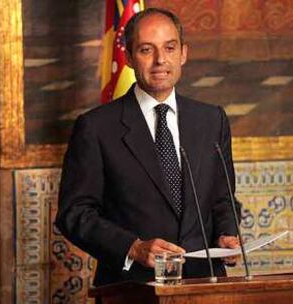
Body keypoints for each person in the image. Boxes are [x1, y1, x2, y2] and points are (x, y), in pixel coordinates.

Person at [55, 7, 241, 286]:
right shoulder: (96, 127)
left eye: (169, 47)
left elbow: (222, 197)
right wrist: (132, 247)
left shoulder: (212, 119)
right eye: (146, 50)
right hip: (131, 287)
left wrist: (226, 233)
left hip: (203, 283)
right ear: (128, 57)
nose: (160, 60)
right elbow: (74, 214)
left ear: (183, 53)